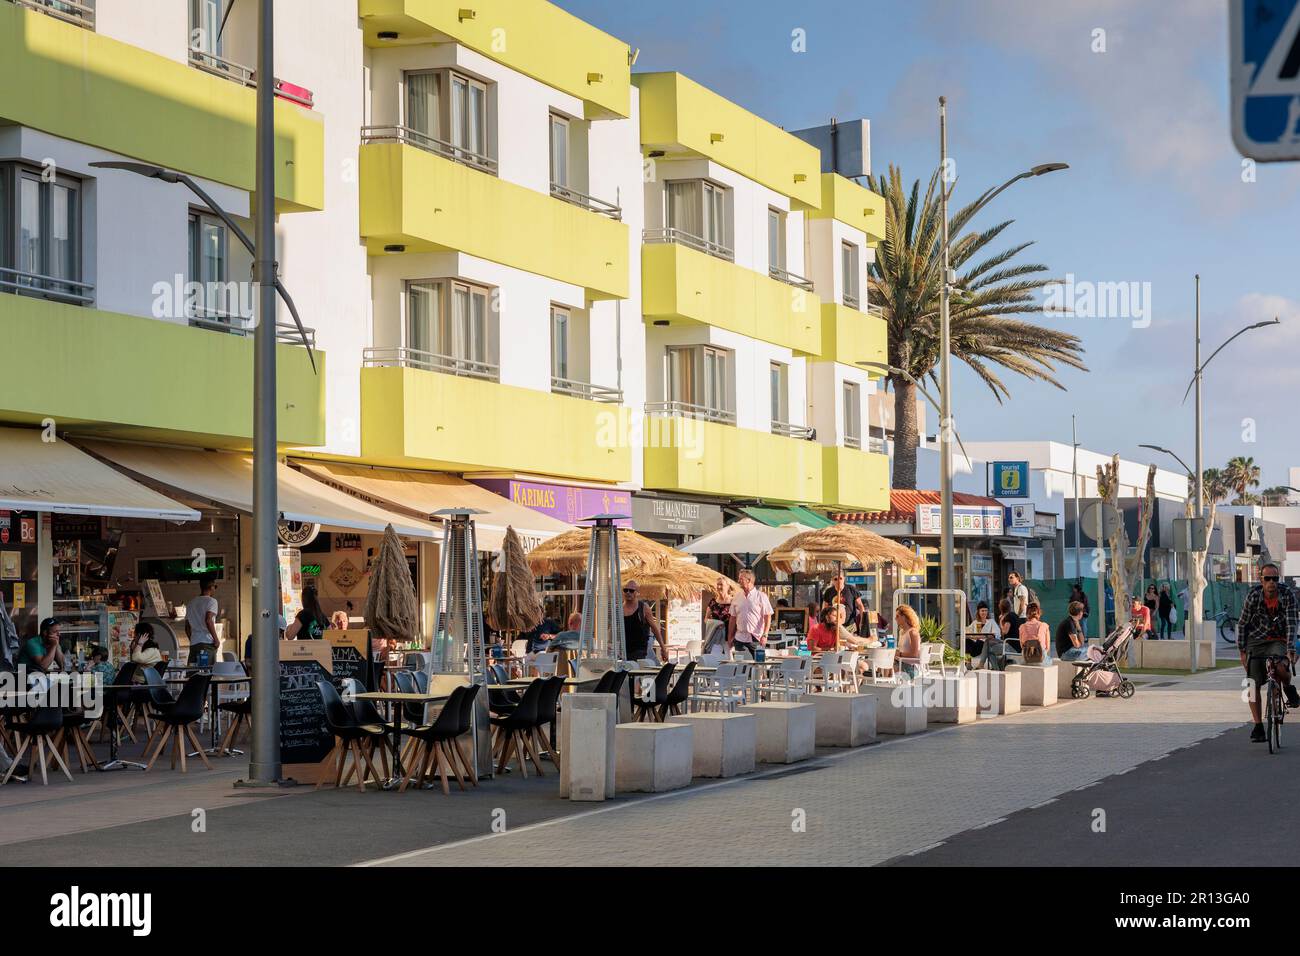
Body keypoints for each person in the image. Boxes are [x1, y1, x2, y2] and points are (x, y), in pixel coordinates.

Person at [1237, 561, 1300, 743]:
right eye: (1268, 578)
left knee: (1281, 668)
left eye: (1275, 578)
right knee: (1252, 684)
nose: (1271, 582)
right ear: (1261, 579)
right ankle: (1258, 726)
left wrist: (1290, 649)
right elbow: (1242, 624)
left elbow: (1291, 623)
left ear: (1278, 579)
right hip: (1256, 640)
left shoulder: (1287, 595)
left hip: (1278, 639)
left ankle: (1288, 688)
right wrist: (1242, 650)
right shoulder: (1253, 596)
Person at [728, 568, 772, 659]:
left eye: (741, 579)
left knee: (759, 665)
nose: (738, 581)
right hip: (739, 638)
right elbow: (732, 618)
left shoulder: (761, 596)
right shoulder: (737, 597)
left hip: (756, 638)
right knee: (740, 667)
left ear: (749, 580)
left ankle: (761, 674)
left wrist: (765, 635)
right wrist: (730, 637)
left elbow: (767, 616)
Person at [622, 580, 667, 662]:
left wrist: (663, 648)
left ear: (637, 593)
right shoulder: (620, 609)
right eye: (626, 590)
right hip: (624, 651)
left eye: (631, 591)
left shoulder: (643, 608)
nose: (628, 592)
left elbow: (654, 629)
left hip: (640, 650)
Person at [184, 576, 221, 665]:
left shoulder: (191, 603)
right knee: (207, 673)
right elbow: (208, 620)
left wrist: (192, 639)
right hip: (207, 643)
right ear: (211, 587)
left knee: (193, 674)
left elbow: (187, 627)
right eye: (215, 587)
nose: (215, 589)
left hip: (194, 643)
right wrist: (216, 639)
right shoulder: (212, 601)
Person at [966, 601, 1000, 669]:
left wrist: (978, 637)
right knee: (966, 642)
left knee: (981, 642)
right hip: (976, 644)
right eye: (982, 611)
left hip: (984, 644)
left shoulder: (991, 622)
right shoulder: (975, 622)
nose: (984, 612)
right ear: (978, 611)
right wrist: (971, 636)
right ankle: (968, 663)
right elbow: (967, 631)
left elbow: (995, 634)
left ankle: (981, 664)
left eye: (986, 611)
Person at [894, 605, 922, 679]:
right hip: (901, 663)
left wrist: (899, 654)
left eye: (897, 616)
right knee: (885, 662)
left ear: (904, 617)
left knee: (886, 665)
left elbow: (914, 655)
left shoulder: (913, 632)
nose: (895, 619)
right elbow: (903, 650)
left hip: (911, 668)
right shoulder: (902, 632)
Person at [1007, 571, 1029, 637]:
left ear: (1017, 578)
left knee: (1020, 637)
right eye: (1008, 578)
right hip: (1020, 617)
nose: (1009, 579)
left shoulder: (1021, 588)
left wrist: (1017, 616)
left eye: (1011, 577)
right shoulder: (1017, 588)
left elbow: (1022, 604)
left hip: (1022, 617)